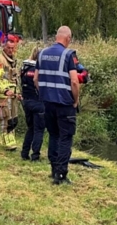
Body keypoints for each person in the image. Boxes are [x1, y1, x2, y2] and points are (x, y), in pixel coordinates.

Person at [35, 26, 80, 184]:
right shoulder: (69, 54)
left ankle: (54, 170)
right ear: (68, 38)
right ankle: (61, 175)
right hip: (64, 103)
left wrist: (45, 93)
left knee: (53, 135)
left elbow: (36, 79)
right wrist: (75, 99)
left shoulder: (42, 54)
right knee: (65, 138)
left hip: (48, 103)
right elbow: (74, 81)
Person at [0, 37, 21, 151]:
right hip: (3, 95)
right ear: (3, 47)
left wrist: (17, 93)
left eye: (12, 48)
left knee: (13, 119)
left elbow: (14, 79)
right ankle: (7, 143)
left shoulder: (13, 60)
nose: (10, 50)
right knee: (5, 119)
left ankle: (11, 140)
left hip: (12, 95)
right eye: (8, 48)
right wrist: (5, 90)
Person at [20, 47, 44, 162]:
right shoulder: (39, 69)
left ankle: (24, 153)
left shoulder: (24, 67)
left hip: (26, 101)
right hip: (38, 101)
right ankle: (35, 156)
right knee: (39, 130)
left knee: (30, 128)